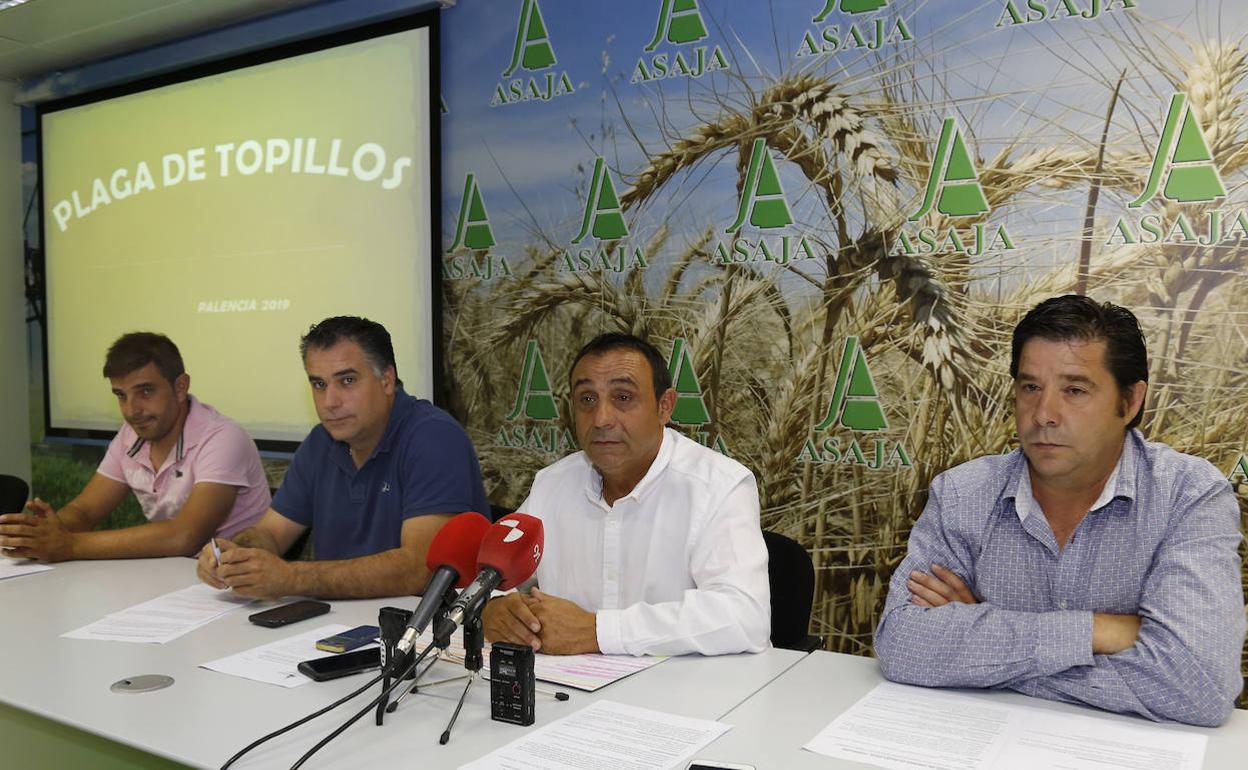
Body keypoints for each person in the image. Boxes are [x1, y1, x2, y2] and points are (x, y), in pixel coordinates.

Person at [874, 295, 1246, 727]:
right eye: (1030, 387)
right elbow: (902, 645)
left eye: (1074, 389)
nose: (1044, 414)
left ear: (1129, 402)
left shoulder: (1188, 496)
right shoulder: (962, 493)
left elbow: (1197, 685)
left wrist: (986, 651)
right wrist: (1098, 631)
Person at [482, 333, 770, 656]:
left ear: (665, 406)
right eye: (587, 399)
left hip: (686, 698)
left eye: (622, 397)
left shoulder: (719, 487)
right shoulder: (552, 484)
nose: (602, 419)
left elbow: (745, 615)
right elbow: (488, 579)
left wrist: (597, 631)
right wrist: (493, 610)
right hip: (567, 692)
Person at [196, 316, 489, 600]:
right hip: (336, 625)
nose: (329, 402)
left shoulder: (433, 437)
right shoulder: (321, 442)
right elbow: (270, 533)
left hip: (426, 633)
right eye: (319, 384)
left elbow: (419, 569)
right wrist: (235, 553)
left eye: (347, 381)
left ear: (386, 380)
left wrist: (292, 578)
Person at [0, 333, 269, 561]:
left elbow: (186, 535)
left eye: (145, 391)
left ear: (180, 386)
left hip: (239, 583)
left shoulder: (223, 437)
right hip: (174, 575)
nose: (132, 410)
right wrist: (44, 535)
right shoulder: (130, 435)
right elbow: (84, 511)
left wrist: (69, 545)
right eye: (121, 395)